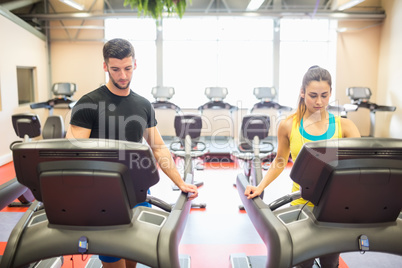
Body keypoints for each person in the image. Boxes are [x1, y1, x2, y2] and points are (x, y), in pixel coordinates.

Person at [66, 38, 198, 268]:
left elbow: (158, 147)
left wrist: (180, 182)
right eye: (115, 69)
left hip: (137, 191)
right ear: (105, 66)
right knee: (113, 259)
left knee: (133, 256)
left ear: (135, 64)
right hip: (104, 197)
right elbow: (73, 155)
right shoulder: (88, 104)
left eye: (127, 68)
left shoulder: (143, 105)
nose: (123, 76)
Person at [244, 65, 361, 268]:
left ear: (331, 93)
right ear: (302, 92)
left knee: (330, 262)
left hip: (333, 208)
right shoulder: (289, 125)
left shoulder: (345, 126)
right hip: (300, 203)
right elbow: (280, 160)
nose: (319, 101)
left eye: (324, 95)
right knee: (302, 262)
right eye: (313, 95)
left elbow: (359, 166)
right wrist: (261, 186)